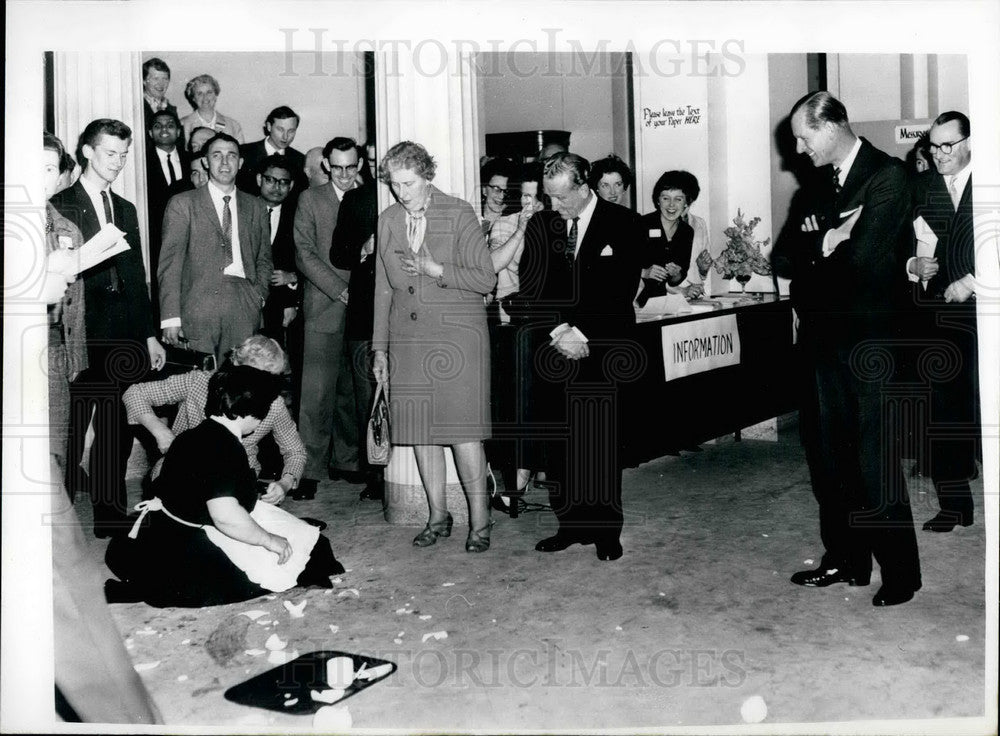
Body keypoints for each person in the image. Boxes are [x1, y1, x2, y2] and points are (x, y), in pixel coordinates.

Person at [786, 91, 920, 607]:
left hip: (870, 344)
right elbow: (789, 256)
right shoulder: (816, 184)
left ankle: (901, 573)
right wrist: (825, 242)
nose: (799, 149)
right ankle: (846, 559)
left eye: (804, 136)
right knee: (827, 456)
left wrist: (824, 248)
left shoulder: (886, 176)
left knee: (873, 459)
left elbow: (864, 262)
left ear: (833, 125)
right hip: (822, 341)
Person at [105, 365, 343, 607]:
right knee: (309, 552)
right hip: (189, 546)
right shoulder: (225, 448)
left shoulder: (194, 433)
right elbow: (226, 518)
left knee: (307, 542)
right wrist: (269, 540)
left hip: (162, 531)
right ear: (249, 414)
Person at [512, 152, 642, 561]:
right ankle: (569, 525)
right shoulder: (541, 223)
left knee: (598, 442)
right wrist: (559, 331)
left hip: (601, 347)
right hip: (554, 347)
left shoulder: (624, 223)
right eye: (548, 197)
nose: (553, 206)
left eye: (560, 198)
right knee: (560, 444)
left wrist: (581, 332)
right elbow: (531, 286)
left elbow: (619, 291)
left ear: (584, 188)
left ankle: (606, 531)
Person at [372, 141, 497, 552]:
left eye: (408, 183)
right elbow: (383, 290)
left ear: (428, 177)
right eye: (394, 184)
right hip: (408, 342)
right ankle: (438, 516)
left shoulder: (458, 212)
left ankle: (479, 522)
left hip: (458, 340)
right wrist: (379, 348)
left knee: (464, 435)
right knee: (422, 434)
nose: (401, 192)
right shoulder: (388, 219)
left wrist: (435, 269)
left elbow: (485, 279)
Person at [49, 118, 166, 537]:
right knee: (71, 428)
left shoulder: (127, 209)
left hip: (123, 335)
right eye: (110, 153)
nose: (118, 163)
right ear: (87, 152)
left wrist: (149, 334)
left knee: (116, 428)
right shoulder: (60, 205)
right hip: (81, 333)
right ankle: (56, 522)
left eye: (123, 155)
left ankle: (109, 514)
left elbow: (136, 277)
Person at [906, 111, 978, 532]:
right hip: (943, 318)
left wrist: (971, 281)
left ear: (969, 142)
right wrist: (915, 264)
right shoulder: (923, 187)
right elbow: (908, 243)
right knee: (944, 409)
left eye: (947, 146)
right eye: (933, 147)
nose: (938, 155)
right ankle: (955, 505)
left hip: (987, 309)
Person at [123, 334, 305, 498]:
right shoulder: (199, 382)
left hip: (236, 475)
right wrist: (160, 431)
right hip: (183, 465)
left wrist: (285, 483)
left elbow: (295, 451)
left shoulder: (274, 404)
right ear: (235, 365)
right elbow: (134, 394)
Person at [158, 132, 272, 362]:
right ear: (206, 162)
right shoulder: (183, 203)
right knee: (199, 385)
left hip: (243, 304)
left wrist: (258, 295)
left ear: (240, 163)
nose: (224, 162)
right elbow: (170, 264)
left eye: (231, 156)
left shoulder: (256, 206)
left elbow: (264, 258)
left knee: (238, 383)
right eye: (217, 155)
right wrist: (170, 318)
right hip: (198, 306)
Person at [293, 136, 361, 498]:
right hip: (324, 304)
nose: (345, 175)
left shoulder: (370, 197)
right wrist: (340, 289)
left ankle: (347, 461)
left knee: (352, 390)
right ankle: (309, 470)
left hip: (362, 308)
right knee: (316, 394)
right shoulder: (310, 199)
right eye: (338, 168)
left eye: (351, 167)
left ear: (360, 166)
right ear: (326, 167)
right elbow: (303, 254)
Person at [485, 163, 546, 514]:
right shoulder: (504, 225)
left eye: (536, 197)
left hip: (549, 323)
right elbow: (502, 272)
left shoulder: (556, 223)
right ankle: (517, 486)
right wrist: (524, 230)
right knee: (519, 407)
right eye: (524, 196)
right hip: (514, 324)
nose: (530, 203)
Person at [329, 153, 383, 501]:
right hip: (366, 314)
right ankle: (376, 475)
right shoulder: (358, 199)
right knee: (368, 399)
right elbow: (338, 254)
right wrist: (364, 248)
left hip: (409, 314)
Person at [43, 132, 87, 468]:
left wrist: (75, 358)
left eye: (48, 169)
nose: (40, 177)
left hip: (56, 345)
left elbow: (74, 304)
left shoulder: (68, 229)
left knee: (54, 453)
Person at [144, 108, 192, 320]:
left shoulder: (191, 161)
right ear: (150, 133)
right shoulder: (142, 163)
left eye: (170, 125)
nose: (164, 129)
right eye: (158, 126)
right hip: (156, 236)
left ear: (179, 132)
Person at [636, 170, 696, 307]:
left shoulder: (686, 232)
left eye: (678, 199)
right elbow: (619, 265)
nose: (671, 205)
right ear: (658, 200)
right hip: (633, 301)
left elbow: (676, 279)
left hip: (660, 303)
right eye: (665, 198)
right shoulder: (640, 224)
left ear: (686, 203)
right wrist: (644, 272)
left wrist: (676, 274)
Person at [237, 105, 308, 196]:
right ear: (269, 126)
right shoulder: (245, 152)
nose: (285, 137)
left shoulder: (299, 160)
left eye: (291, 131)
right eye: (280, 129)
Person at [179, 73, 244, 144]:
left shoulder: (233, 126)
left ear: (216, 95)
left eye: (209, 92)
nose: (205, 97)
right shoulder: (183, 125)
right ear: (193, 98)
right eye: (199, 93)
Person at [141, 57, 178, 136]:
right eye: (156, 78)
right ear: (144, 81)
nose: (161, 84)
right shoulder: (138, 107)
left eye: (165, 79)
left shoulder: (171, 109)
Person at [480, 157, 514, 236]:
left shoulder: (512, 220)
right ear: (484, 190)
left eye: (506, 191)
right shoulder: (473, 217)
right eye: (496, 189)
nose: (502, 196)